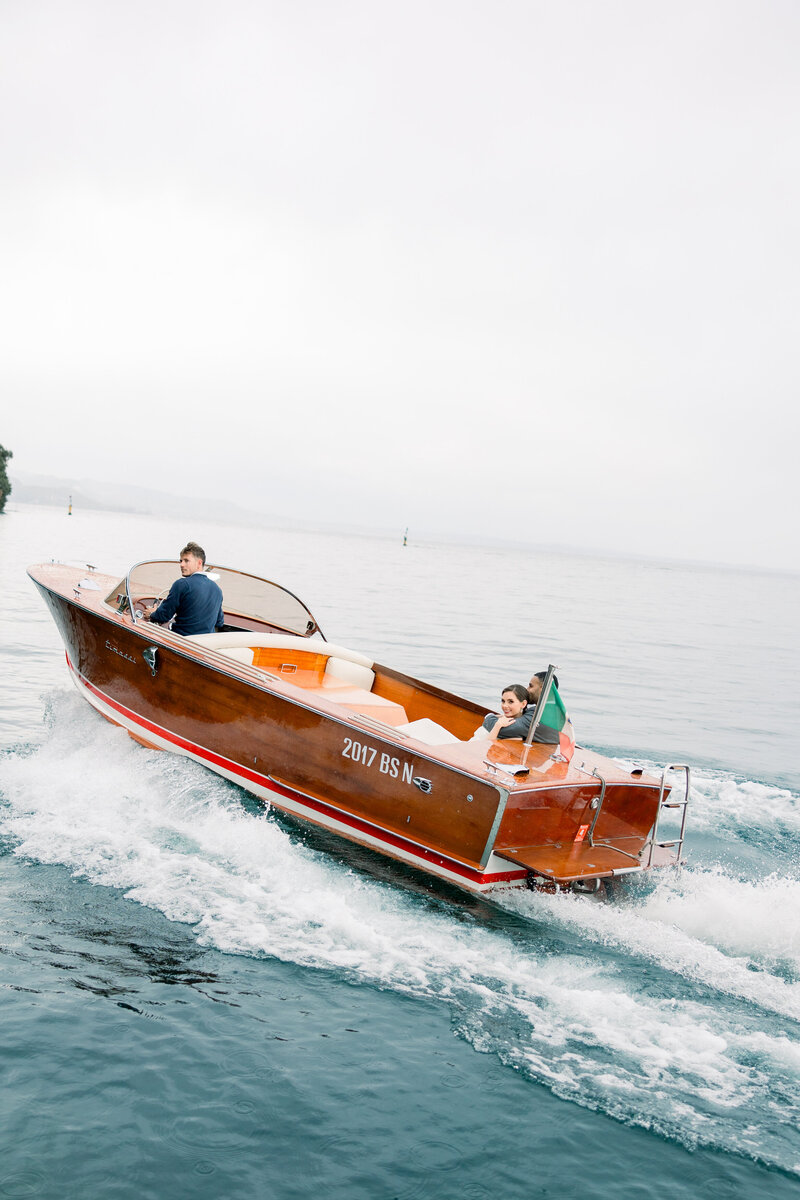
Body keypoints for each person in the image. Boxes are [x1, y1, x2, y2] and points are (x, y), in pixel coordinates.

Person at [143, 542, 225, 636]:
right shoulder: (217, 590)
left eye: (186, 561)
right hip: (204, 645)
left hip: (182, 641)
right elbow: (219, 622)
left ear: (199, 563)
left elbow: (163, 616)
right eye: (181, 561)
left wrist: (152, 614)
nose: (181, 565)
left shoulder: (181, 584)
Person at [526, 670, 561, 745]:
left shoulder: (538, 714)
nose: (527, 689)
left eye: (530, 686)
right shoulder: (555, 712)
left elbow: (506, 730)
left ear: (543, 688)